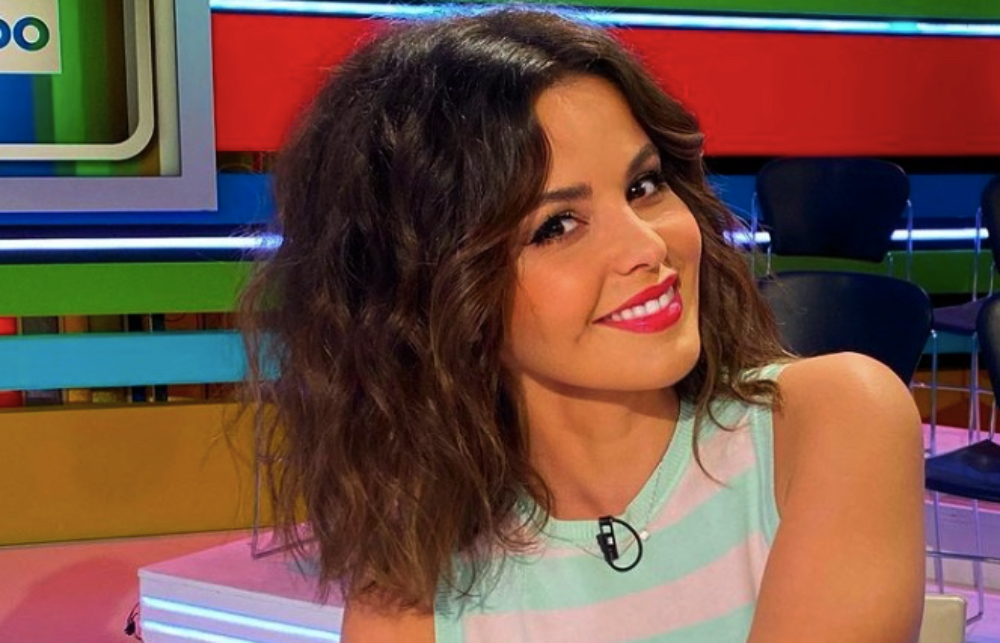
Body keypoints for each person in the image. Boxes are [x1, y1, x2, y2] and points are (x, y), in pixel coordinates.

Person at [240, 7, 925, 642]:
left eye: (644, 186)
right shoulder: (408, 596)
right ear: (430, 291)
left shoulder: (833, 420)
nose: (646, 247)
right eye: (557, 225)